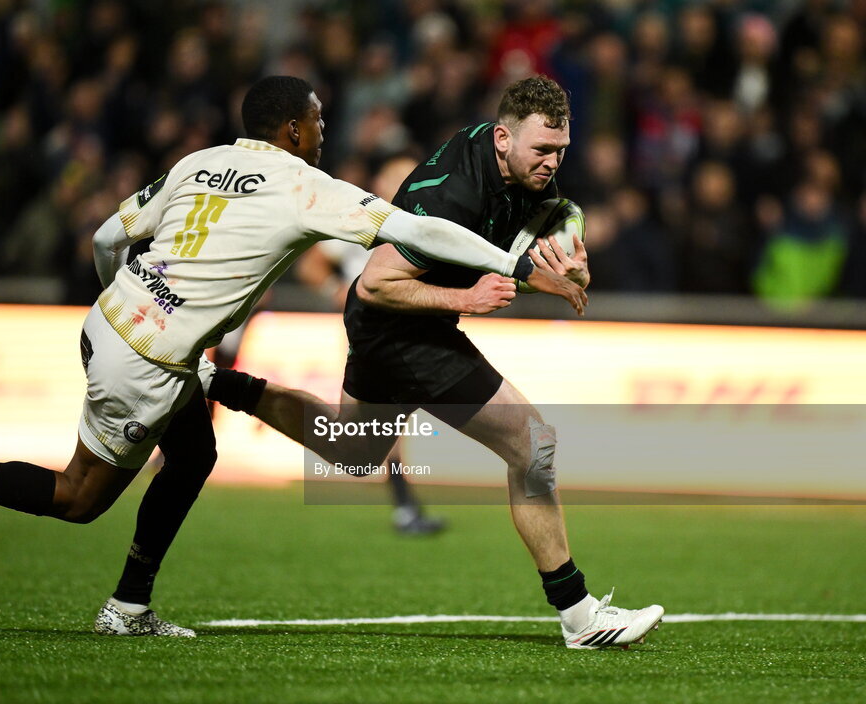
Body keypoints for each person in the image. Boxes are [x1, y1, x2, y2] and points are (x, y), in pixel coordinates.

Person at [0, 76, 585, 637]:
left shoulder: (199, 163)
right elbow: (417, 235)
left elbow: (106, 237)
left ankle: (131, 603)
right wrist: (514, 268)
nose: (325, 133)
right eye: (319, 122)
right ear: (294, 130)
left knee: (196, 454)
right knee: (79, 499)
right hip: (151, 362)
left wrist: (127, 306)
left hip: (110, 323)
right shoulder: (302, 185)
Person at [203, 76, 664, 649]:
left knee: (352, 449)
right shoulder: (452, 196)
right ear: (502, 139)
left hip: (382, 331)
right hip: (402, 327)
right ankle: (579, 615)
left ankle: (224, 383)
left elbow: (561, 208)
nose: (552, 162)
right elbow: (375, 283)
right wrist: (466, 299)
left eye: (560, 150)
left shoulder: (505, 159)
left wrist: (571, 244)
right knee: (533, 441)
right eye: (542, 151)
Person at [295, 154, 446, 535]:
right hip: (368, 331)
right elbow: (310, 265)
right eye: (396, 175)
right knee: (381, 419)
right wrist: (339, 291)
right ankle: (404, 506)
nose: (404, 182)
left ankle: (403, 503)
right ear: (379, 183)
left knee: (382, 421)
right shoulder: (364, 221)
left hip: (403, 329)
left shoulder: (419, 225)